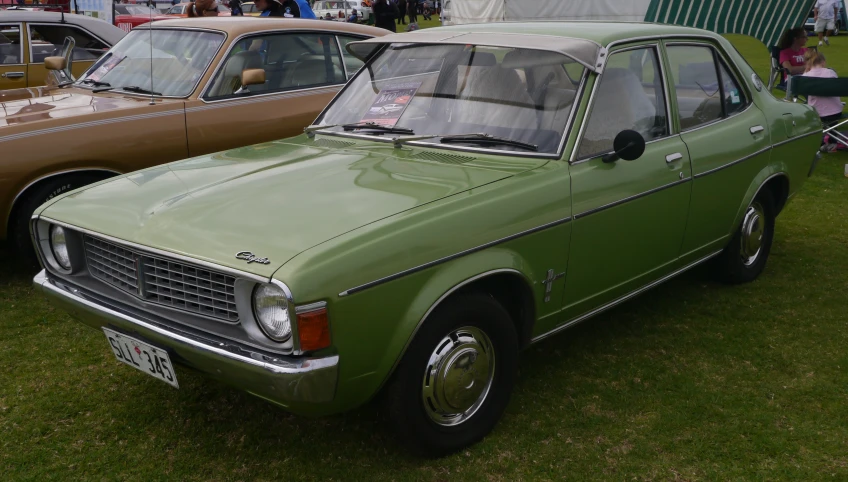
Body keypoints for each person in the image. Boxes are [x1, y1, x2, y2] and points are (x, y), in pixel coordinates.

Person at [803, 51, 844, 151]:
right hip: (835, 112)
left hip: (815, 113)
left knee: (818, 123)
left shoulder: (805, 77)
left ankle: (819, 142)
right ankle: (832, 142)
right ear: (823, 62)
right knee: (832, 123)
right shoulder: (831, 73)